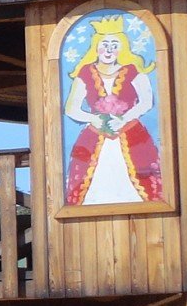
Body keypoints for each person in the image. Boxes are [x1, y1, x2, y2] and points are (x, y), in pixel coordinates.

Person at [63, 16, 164, 205]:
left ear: (122, 48)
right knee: (92, 177)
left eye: (114, 45)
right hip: (94, 136)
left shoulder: (134, 71)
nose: (109, 49)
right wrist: (93, 118)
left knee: (140, 176)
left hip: (131, 134)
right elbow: (71, 107)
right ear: (96, 47)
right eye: (105, 44)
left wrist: (124, 118)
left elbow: (146, 102)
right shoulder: (85, 73)